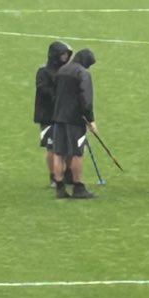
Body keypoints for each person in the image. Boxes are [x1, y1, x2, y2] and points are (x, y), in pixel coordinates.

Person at [51, 48, 98, 199]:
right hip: (74, 121)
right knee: (77, 153)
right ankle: (78, 187)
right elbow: (86, 99)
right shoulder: (83, 74)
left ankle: (59, 186)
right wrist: (90, 120)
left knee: (59, 153)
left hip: (58, 117)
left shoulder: (61, 70)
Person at [34, 41, 72, 188]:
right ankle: (54, 176)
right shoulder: (43, 71)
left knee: (68, 145)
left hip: (65, 114)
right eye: (62, 54)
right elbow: (44, 90)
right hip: (48, 115)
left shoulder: (67, 70)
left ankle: (67, 173)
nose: (65, 57)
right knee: (51, 146)